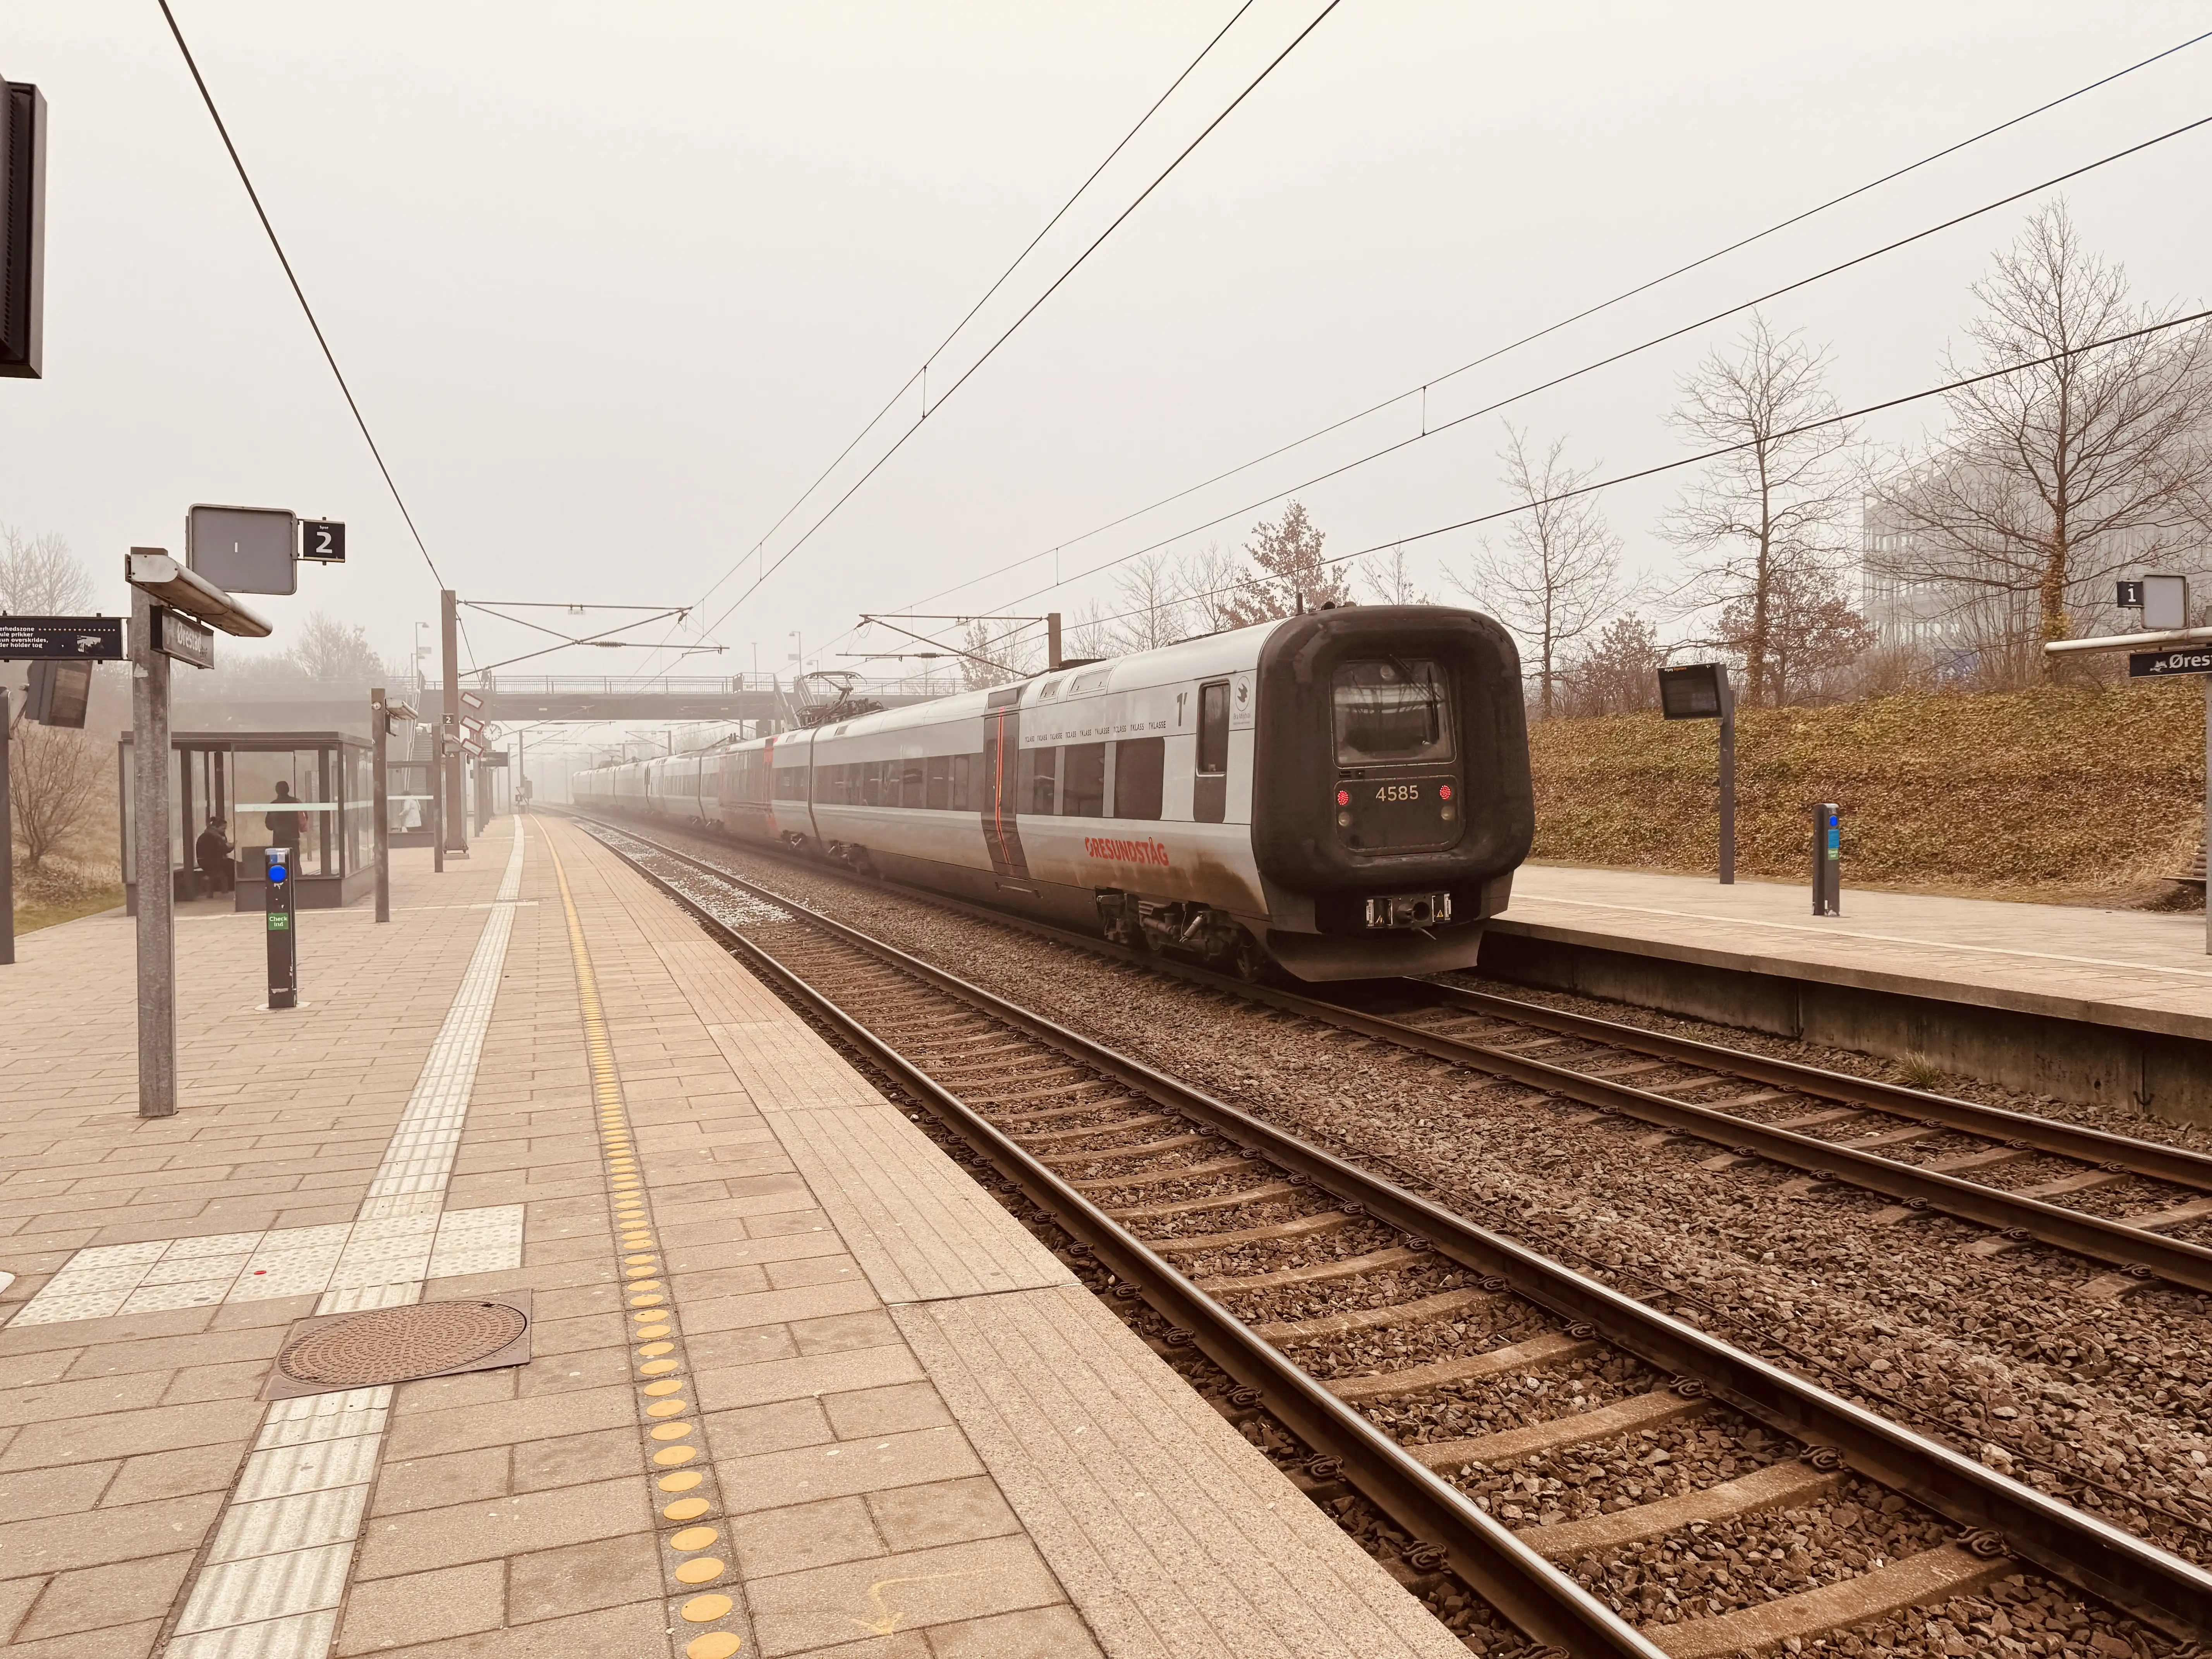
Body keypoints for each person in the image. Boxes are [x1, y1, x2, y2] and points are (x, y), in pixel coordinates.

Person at [194, 818, 235, 896]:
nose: (224, 831)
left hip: (208, 861)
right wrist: (228, 846)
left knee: (231, 864)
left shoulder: (213, 836)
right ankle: (231, 888)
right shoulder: (209, 837)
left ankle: (230, 887)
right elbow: (219, 850)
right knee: (233, 865)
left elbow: (221, 850)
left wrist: (229, 846)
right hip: (208, 862)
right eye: (223, 829)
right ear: (216, 828)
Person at [265, 781, 306, 854]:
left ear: (277, 791)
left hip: (279, 840)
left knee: (281, 863)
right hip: (293, 839)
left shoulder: (274, 805)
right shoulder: (296, 802)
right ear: (288, 790)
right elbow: (304, 820)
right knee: (295, 862)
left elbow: (269, 826)